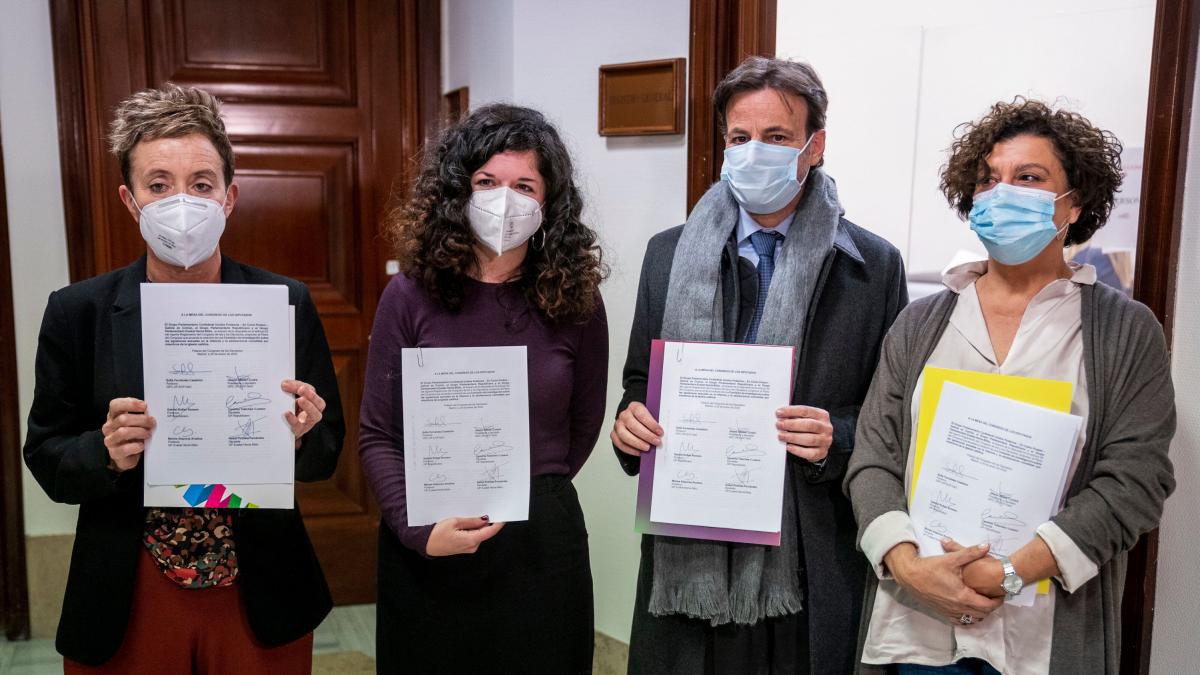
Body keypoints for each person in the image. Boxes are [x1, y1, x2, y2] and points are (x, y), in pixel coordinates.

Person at [844, 98, 1176, 674]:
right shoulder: (921, 323)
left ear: (1074, 204)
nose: (1002, 194)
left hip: (1040, 640)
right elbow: (873, 458)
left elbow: (1135, 482)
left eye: (1029, 178)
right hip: (916, 625)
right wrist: (905, 563)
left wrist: (1012, 570)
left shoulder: (1124, 331)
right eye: (988, 180)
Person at [23, 85, 345, 674]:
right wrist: (105, 451)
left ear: (229, 197)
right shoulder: (79, 312)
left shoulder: (284, 302)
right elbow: (44, 454)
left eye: (201, 184)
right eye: (158, 184)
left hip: (258, 586)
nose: (182, 201)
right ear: (130, 199)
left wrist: (299, 434)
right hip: (130, 584)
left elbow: (327, 451)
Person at [611, 56, 908, 674]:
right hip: (689, 540)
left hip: (806, 552)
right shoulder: (668, 255)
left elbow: (893, 412)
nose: (754, 154)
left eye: (776, 138)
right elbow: (641, 380)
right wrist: (630, 423)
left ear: (814, 145)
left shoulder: (872, 265)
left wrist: (837, 436)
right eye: (739, 138)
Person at [358, 103, 609, 673]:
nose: (505, 200)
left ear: (549, 202)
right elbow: (376, 434)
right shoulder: (409, 295)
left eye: (524, 185)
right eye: (486, 182)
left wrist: (513, 488)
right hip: (427, 537)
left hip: (541, 547)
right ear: (457, 192)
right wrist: (418, 528)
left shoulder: (577, 302)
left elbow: (581, 428)